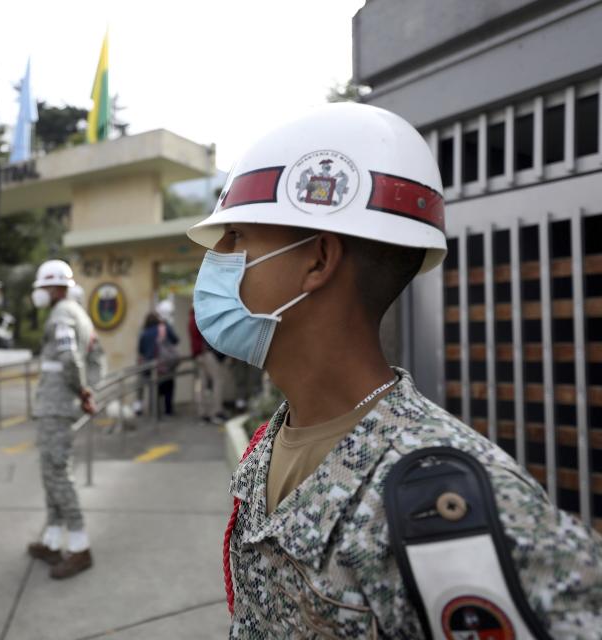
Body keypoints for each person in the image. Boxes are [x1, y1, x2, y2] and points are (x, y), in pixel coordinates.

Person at [188, 102, 602, 637]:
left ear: (318, 259)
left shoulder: (451, 504)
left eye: (237, 238)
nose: (215, 259)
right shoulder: (274, 443)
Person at [25, 259, 97, 579]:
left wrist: (81, 390)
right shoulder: (75, 312)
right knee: (50, 473)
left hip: (56, 405)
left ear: (54, 287)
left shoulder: (62, 315)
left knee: (58, 473)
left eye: (42, 288)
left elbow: (69, 357)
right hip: (55, 405)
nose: (39, 294)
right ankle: (52, 540)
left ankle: (80, 548)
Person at [137, 309, 180, 416]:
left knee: (154, 389)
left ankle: (155, 413)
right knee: (168, 387)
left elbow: (140, 350)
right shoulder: (163, 327)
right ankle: (168, 410)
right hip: (165, 363)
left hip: (150, 366)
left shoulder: (144, 333)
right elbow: (175, 340)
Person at [188, 306, 227, 423]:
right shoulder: (199, 317)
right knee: (217, 381)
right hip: (206, 353)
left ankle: (203, 413)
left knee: (202, 384)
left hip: (198, 355)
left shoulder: (190, 319)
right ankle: (216, 412)